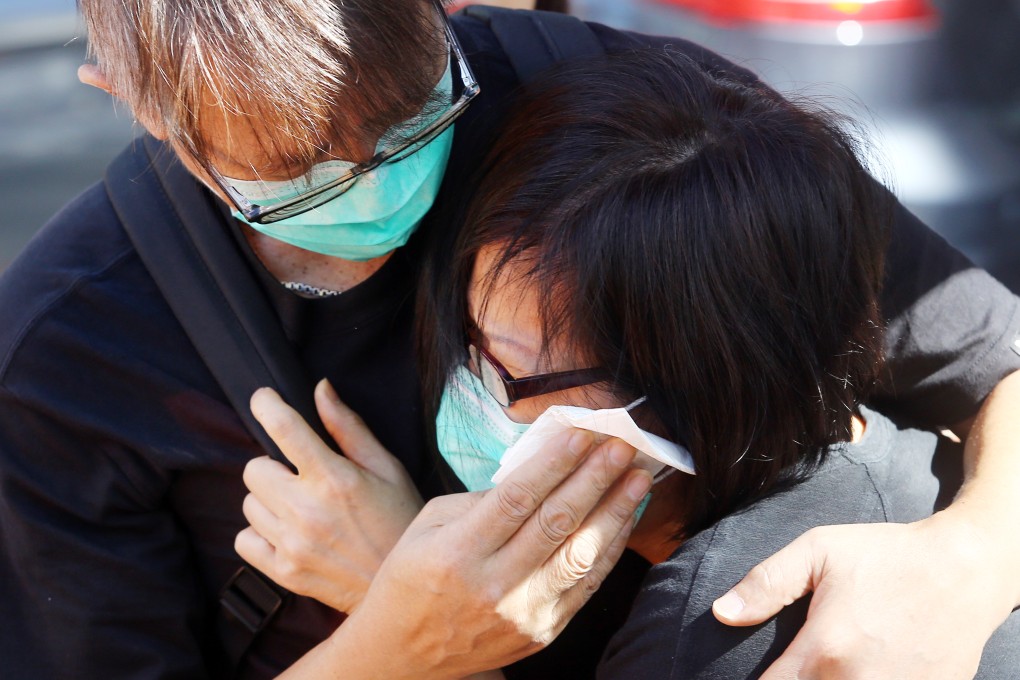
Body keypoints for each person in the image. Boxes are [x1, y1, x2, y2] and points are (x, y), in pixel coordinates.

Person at [0, 0, 1018, 678]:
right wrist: (394, 636)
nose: (378, 188)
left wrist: (967, 561)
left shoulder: (624, 119)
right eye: (300, 177)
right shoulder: (67, 355)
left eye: (411, 122)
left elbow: (995, 354)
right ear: (131, 104)